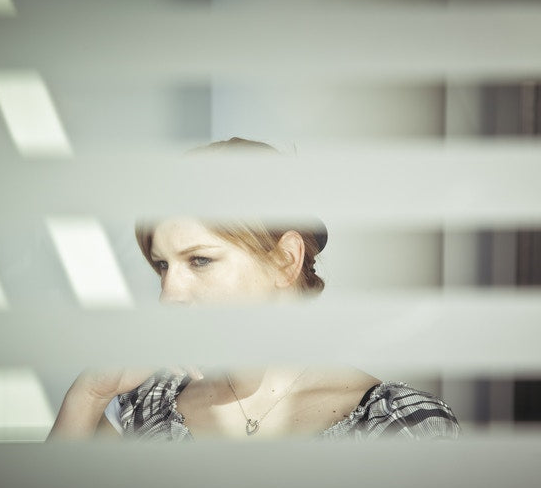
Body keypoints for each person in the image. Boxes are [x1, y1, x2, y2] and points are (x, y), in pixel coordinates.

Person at [49, 138, 459, 441]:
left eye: (200, 260)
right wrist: (91, 392)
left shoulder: (400, 427)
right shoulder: (144, 410)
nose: (169, 294)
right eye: (162, 265)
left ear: (286, 260)